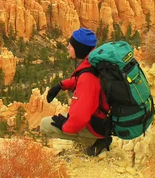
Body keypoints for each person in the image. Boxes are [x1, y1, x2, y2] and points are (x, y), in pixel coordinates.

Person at [40, 28, 112, 156]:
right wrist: (61, 85)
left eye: (70, 45)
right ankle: (95, 137)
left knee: (45, 125)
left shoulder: (87, 79)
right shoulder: (96, 62)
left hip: (97, 125)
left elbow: (79, 119)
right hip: (104, 117)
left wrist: (64, 125)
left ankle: (94, 140)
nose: (67, 47)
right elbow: (83, 78)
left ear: (79, 49)